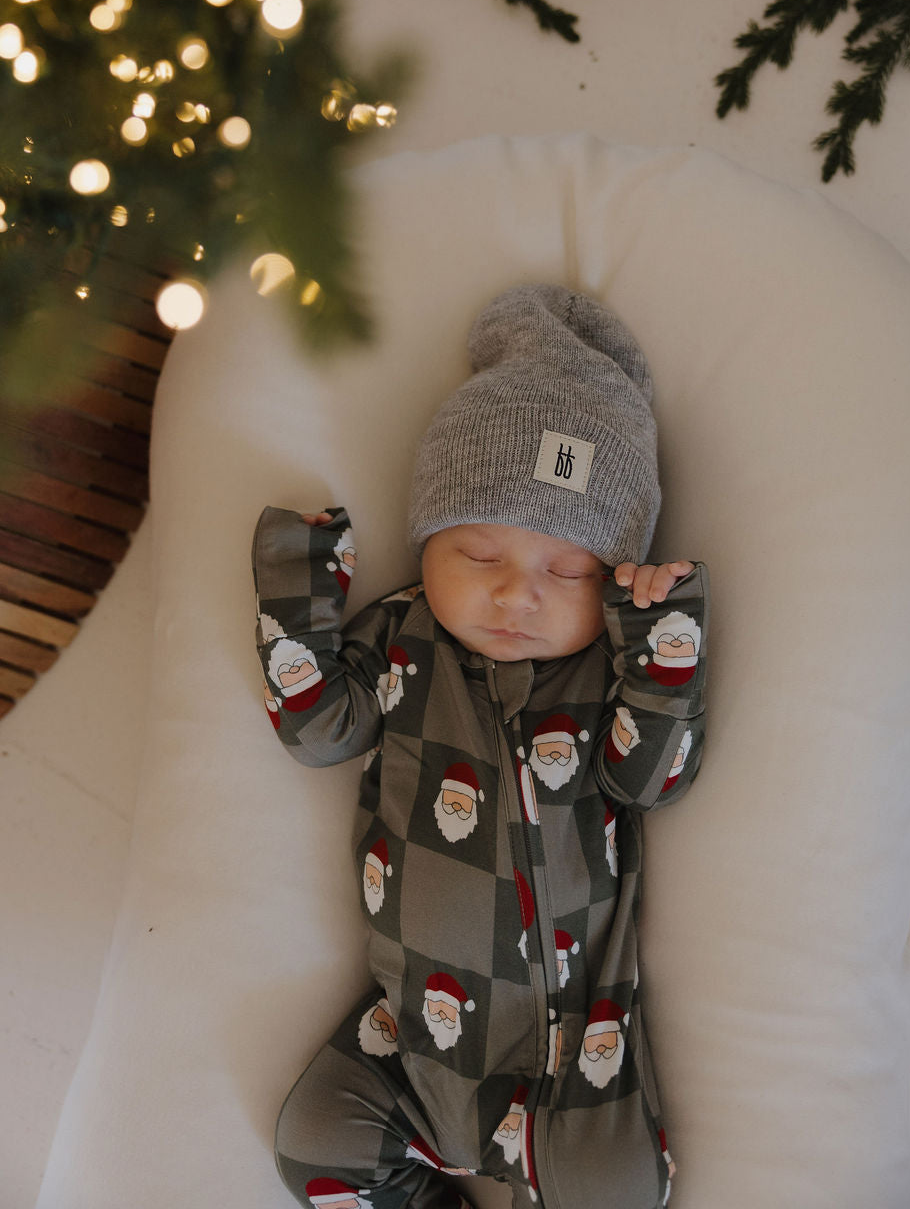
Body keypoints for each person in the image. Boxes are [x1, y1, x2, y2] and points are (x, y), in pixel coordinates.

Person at [252, 284, 708, 1209]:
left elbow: (653, 776)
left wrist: (662, 640)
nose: (514, 597)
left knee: (615, 1191)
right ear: (427, 542)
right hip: (412, 1041)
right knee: (315, 1145)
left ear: (611, 575)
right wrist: (300, 591)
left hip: (579, 1052)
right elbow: (316, 729)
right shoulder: (403, 640)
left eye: (567, 569)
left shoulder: (603, 675)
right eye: (476, 554)